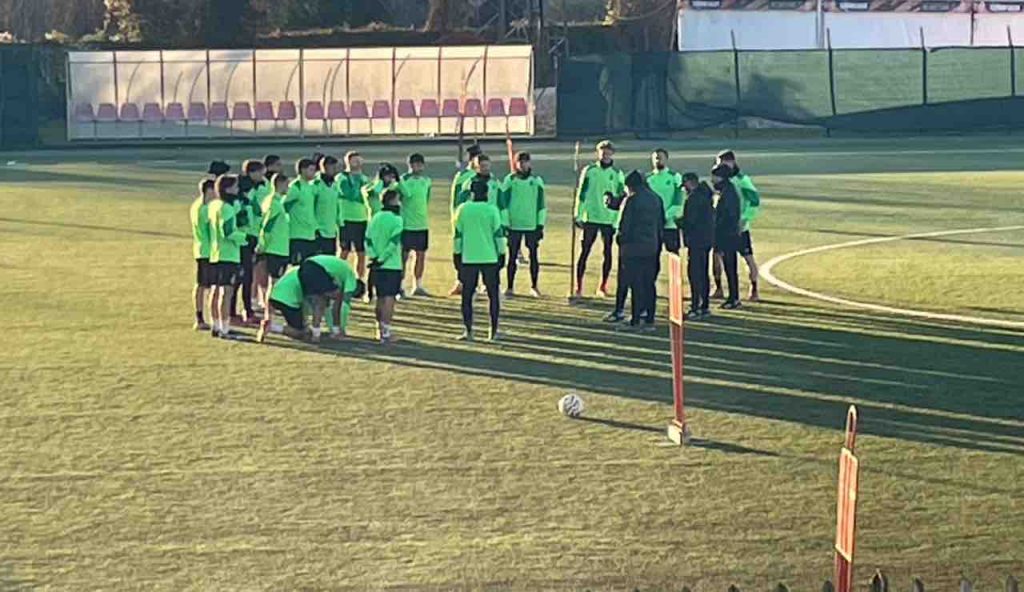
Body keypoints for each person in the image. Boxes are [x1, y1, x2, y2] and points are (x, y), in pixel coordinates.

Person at [257, 255, 366, 344]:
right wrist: (337, 328)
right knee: (323, 302)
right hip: (313, 272)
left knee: (321, 299)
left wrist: (268, 314)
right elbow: (339, 306)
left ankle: (315, 332)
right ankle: (315, 333)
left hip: (308, 266)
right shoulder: (350, 280)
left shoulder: (297, 273)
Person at [454, 178, 507, 342]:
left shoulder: (463, 209)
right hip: (489, 257)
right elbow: (498, 234)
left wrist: (456, 254)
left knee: (467, 296)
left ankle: (468, 330)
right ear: (487, 192)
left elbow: (458, 235)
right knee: (493, 295)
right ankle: (493, 331)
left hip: (468, 257)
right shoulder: (492, 210)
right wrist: (502, 253)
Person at [573, 140, 624, 299]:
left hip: (608, 219)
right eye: (602, 151)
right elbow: (581, 193)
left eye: (607, 151)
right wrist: (578, 214)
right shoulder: (589, 171)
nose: (605, 154)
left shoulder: (617, 174)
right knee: (584, 251)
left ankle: (603, 286)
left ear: (612, 153)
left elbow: (621, 197)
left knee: (607, 253)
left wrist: (617, 219)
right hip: (591, 217)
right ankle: (578, 286)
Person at [615, 170, 664, 330]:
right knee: (649, 283)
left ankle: (635, 319)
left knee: (635, 284)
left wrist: (620, 240)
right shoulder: (656, 198)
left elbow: (624, 225)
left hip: (633, 248)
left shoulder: (632, 200)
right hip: (652, 247)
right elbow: (661, 223)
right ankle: (649, 318)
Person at [712, 150, 762, 301]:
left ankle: (754, 288)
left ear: (731, 162)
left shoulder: (742, 180)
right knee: (716, 257)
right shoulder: (720, 179)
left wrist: (744, 219)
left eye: (722, 162)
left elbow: (754, 202)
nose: (719, 165)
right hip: (723, 228)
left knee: (747, 258)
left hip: (739, 228)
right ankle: (718, 287)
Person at [207, 174, 248, 339]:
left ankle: (215, 324)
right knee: (226, 292)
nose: (237, 189)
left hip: (215, 252)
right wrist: (245, 239)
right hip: (228, 254)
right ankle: (225, 328)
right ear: (228, 188)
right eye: (235, 186)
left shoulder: (214, 205)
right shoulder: (227, 208)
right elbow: (229, 232)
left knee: (215, 290)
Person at [500, 151, 546, 298]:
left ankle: (534, 286)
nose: (524, 165)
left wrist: (540, 224)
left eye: (526, 162)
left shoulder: (536, 180)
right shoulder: (510, 180)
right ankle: (510, 287)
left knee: (533, 256)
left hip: (531, 224)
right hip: (514, 225)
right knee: (512, 256)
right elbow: (504, 204)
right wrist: (505, 223)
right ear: (516, 164)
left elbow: (541, 205)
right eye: (520, 162)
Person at [366, 188, 405, 343]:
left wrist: (374, 257)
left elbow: (367, 240)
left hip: (376, 265)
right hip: (391, 265)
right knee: (389, 298)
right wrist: (382, 258)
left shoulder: (375, 218)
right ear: (393, 201)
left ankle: (379, 330)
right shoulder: (397, 220)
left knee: (380, 297)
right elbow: (393, 243)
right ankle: (386, 332)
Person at [447, 143, 483, 297]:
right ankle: (462, 282)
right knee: (463, 253)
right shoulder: (462, 177)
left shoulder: (485, 176)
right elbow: (455, 200)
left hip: (480, 220)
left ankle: (481, 283)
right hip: (464, 219)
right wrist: (455, 220)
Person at [256, 173, 291, 318]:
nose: (288, 187)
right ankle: (269, 311)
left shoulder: (274, 201)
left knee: (276, 281)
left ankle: (270, 309)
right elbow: (267, 227)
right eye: (286, 184)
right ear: (280, 184)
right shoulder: (273, 203)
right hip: (275, 248)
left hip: (280, 247)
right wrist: (263, 245)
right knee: (274, 282)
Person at [681, 172, 715, 318]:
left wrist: (679, 223)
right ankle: (704, 304)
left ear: (690, 183)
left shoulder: (694, 199)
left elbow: (691, 221)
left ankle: (695, 306)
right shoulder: (706, 196)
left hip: (696, 240)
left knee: (694, 273)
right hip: (706, 240)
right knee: (703, 272)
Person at [398, 153, 432, 297]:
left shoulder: (427, 181)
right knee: (403, 257)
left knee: (421, 256)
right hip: (406, 225)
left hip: (422, 225)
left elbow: (427, 199)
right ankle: (399, 286)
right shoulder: (403, 180)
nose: (417, 167)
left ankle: (417, 285)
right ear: (410, 165)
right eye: (414, 164)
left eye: (420, 164)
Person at [338, 151, 371, 287]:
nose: (357, 163)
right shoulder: (342, 177)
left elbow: (367, 196)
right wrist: (358, 187)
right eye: (354, 161)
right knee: (344, 251)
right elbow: (349, 194)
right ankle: (338, 277)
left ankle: (359, 280)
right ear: (348, 162)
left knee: (361, 252)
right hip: (346, 219)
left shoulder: (364, 178)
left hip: (361, 219)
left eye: (359, 160)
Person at [712, 164, 742, 309]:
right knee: (729, 267)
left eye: (715, 176)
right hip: (726, 235)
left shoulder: (727, 193)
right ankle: (733, 297)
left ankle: (734, 297)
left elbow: (727, 215)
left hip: (727, 236)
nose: (713, 180)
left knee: (730, 267)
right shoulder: (725, 190)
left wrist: (716, 226)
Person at [189, 179, 216, 330]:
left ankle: (202, 317)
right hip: (207, 251)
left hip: (202, 249)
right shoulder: (204, 209)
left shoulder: (196, 205)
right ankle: (201, 318)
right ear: (209, 191)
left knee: (204, 285)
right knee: (205, 286)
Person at [646, 148, 684, 254]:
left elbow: (678, 200)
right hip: (653, 224)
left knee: (674, 255)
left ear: (666, 159)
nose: (658, 161)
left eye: (661, 158)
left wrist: (666, 216)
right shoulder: (648, 179)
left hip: (670, 224)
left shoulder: (674, 177)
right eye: (656, 158)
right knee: (652, 254)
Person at [285, 158, 319, 264]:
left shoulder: (310, 187)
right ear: (303, 170)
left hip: (310, 234)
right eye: (311, 170)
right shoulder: (295, 187)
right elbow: (283, 205)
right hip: (297, 235)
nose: (314, 173)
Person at [313, 155, 343, 256]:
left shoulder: (334, 184)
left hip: (331, 230)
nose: (335, 170)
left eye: (335, 167)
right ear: (324, 167)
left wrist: (340, 223)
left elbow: (337, 206)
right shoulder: (315, 184)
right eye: (332, 167)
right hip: (318, 231)